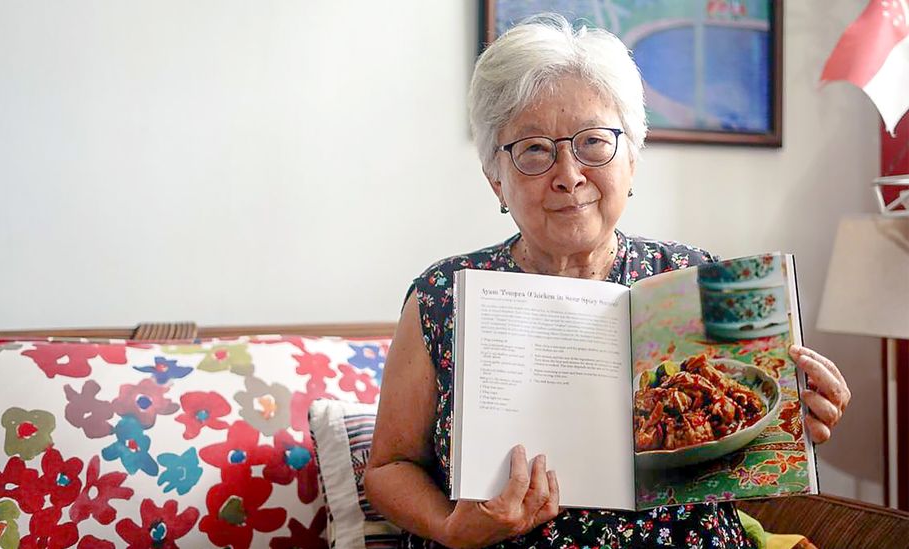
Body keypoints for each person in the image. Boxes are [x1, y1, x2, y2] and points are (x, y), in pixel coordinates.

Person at [364, 15, 851, 549]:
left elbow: (740, 471)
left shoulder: (693, 279)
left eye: (594, 142)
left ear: (632, 159)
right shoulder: (444, 298)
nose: (569, 173)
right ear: (494, 179)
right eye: (533, 149)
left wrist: (793, 428)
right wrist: (451, 529)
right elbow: (388, 467)